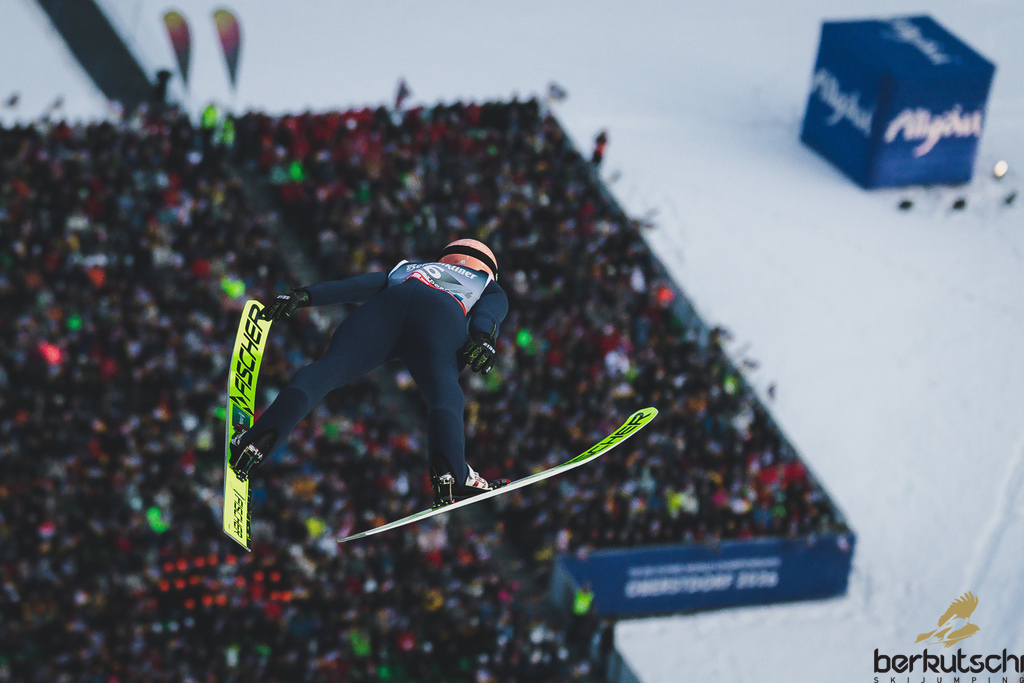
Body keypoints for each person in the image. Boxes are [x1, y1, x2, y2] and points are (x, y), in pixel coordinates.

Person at [228, 238, 510, 504]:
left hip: (385, 309)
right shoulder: (485, 282)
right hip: (440, 318)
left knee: (325, 371)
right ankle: (450, 475)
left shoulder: (410, 267)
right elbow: (487, 313)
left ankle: (255, 443)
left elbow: (354, 286)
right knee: (446, 395)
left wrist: (304, 295)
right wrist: (484, 338)